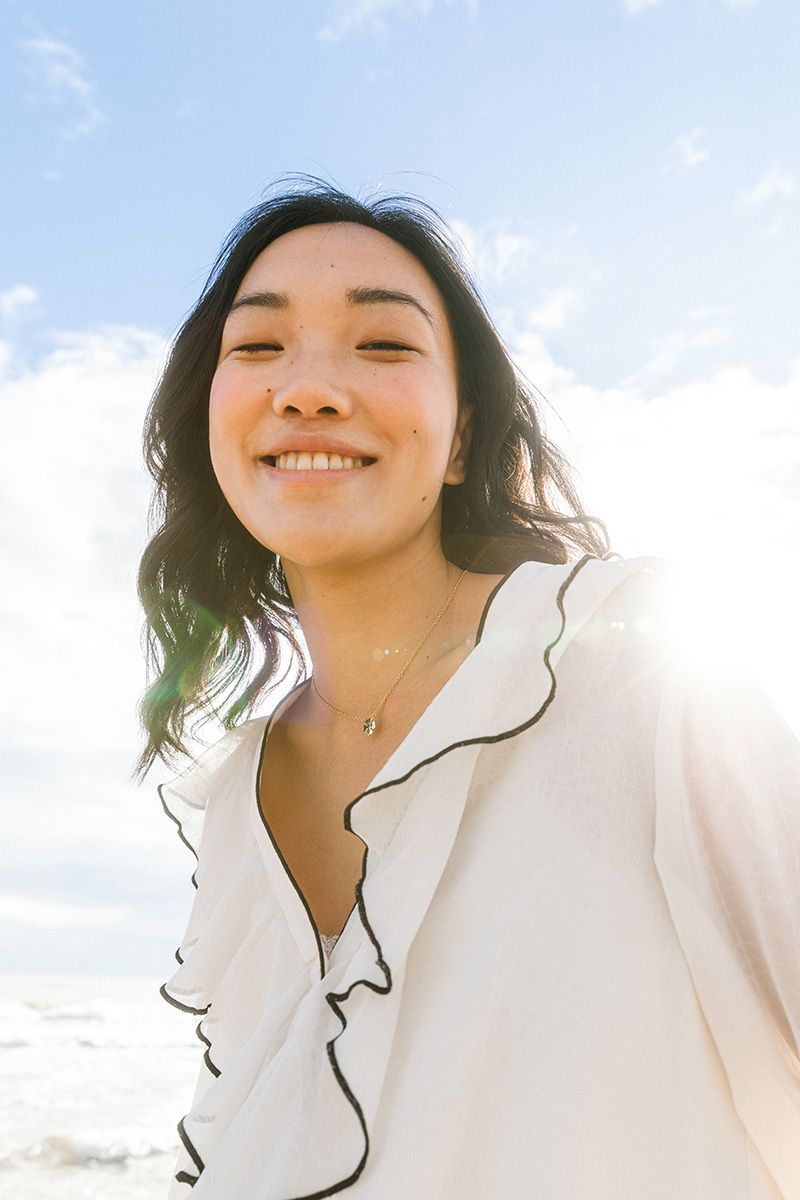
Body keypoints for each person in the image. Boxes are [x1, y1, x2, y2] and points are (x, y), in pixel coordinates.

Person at [139, 181, 800, 1199]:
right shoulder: (237, 805)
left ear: (457, 439)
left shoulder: (639, 665)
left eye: (384, 345)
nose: (308, 388)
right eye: (258, 348)